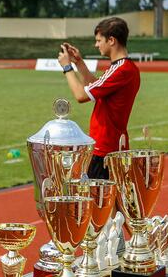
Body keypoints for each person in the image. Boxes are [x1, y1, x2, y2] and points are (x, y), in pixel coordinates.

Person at [58, 17, 140, 179]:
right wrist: (79, 63)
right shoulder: (124, 68)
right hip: (111, 146)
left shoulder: (121, 70)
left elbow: (81, 96)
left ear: (111, 40)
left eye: (98, 40)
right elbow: (97, 87)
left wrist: (67, 67)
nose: (96, 45)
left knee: (98, 202)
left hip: (105, 149)